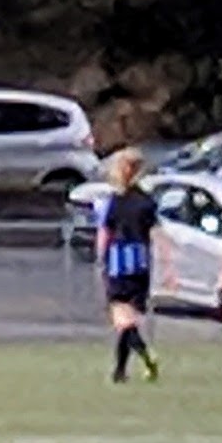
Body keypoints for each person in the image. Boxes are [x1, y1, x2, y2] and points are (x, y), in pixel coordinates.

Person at [97, 148, 161, 384]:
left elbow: (105, 232)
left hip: (119, 262)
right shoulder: (147, 202)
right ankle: (119, 371)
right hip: (141, 263)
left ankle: (145, 354)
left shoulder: (114, 201)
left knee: (122, 321)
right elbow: (156, 234)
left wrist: (100, 259)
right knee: (129, 320)